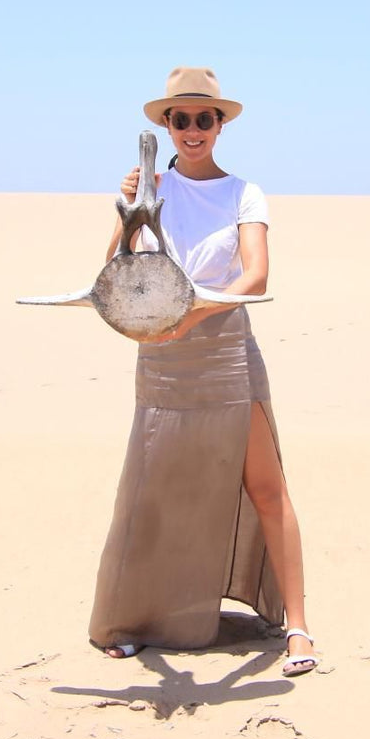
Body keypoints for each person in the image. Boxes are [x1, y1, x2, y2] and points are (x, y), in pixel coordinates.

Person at [86, 66, 318, 677]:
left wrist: (193, 317)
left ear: (220, 125)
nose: (193, 129)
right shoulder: (151, 189)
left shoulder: (245, 193)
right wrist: (128, 209)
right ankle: (136, 618)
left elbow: (255, 277)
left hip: (224, 349)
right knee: (154, 491)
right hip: (161, 354)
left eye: (204, 119)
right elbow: (117, 272)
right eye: (180, 119)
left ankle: (297, 629)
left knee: (267, 487)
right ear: (166, 126)